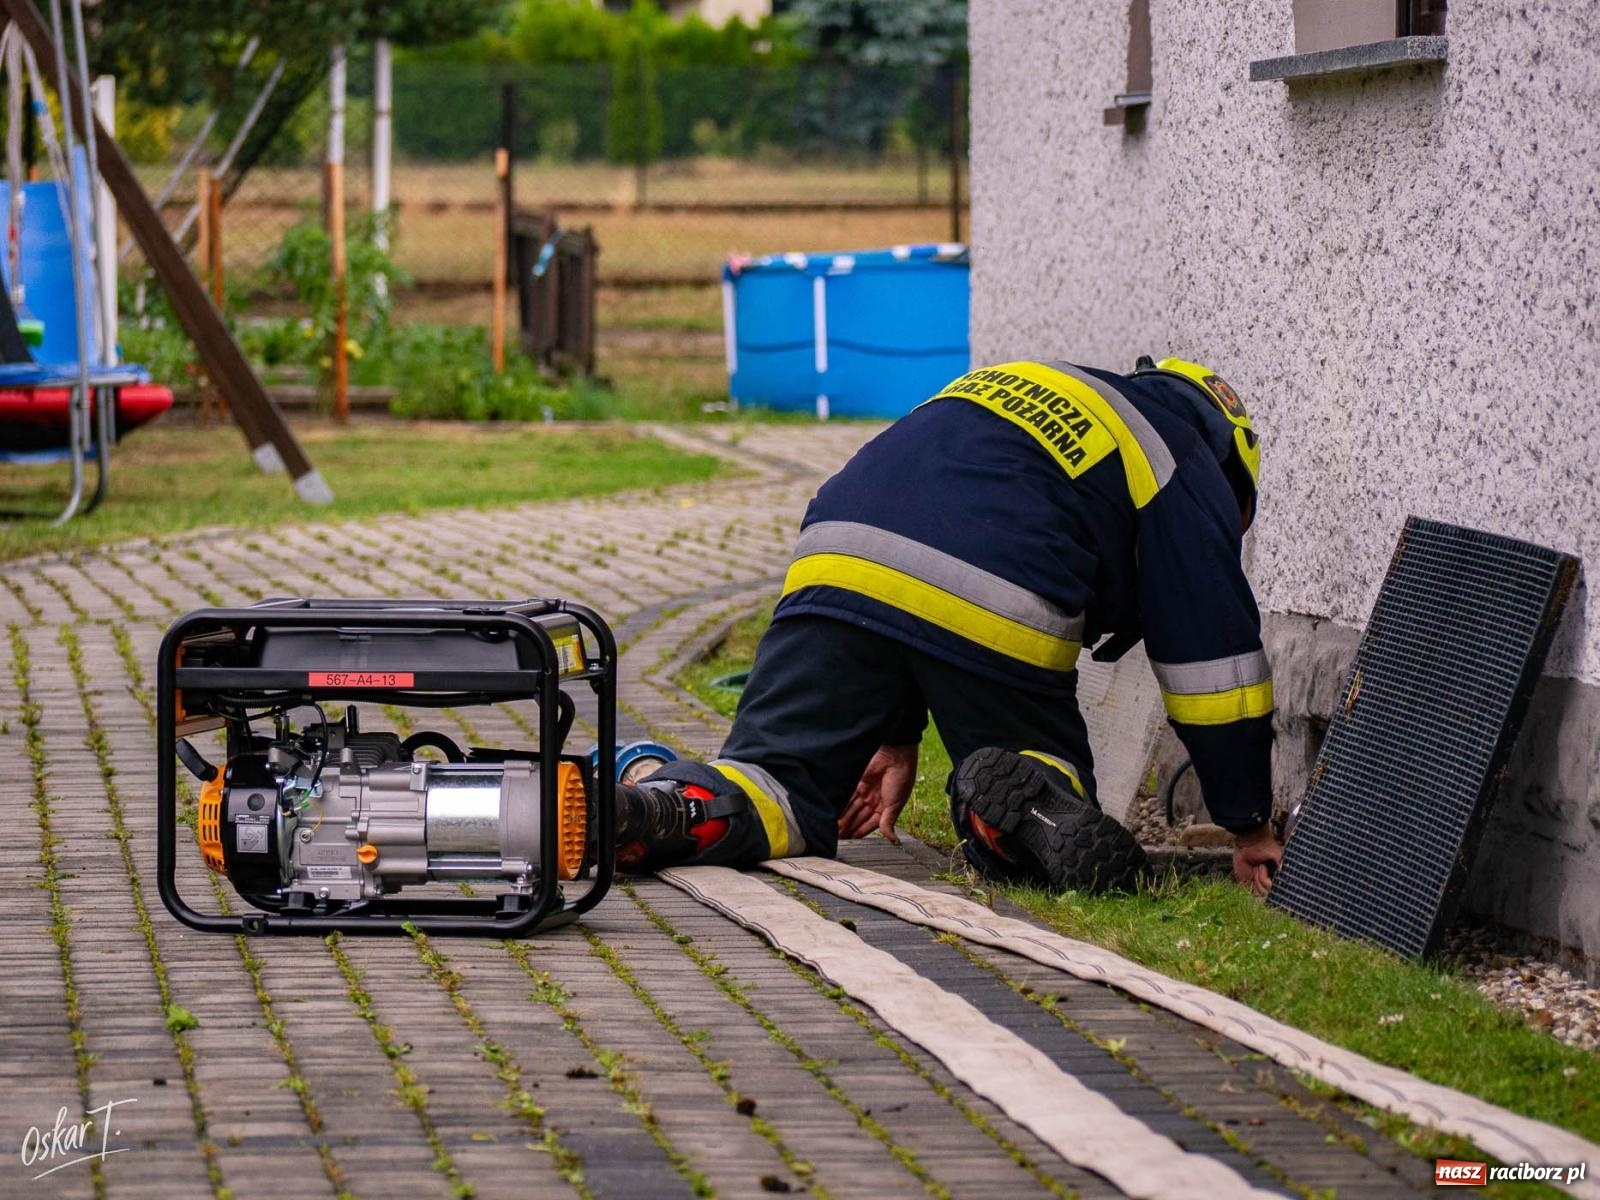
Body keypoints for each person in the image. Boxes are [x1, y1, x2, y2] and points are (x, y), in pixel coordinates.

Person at [615, 356, 1284, 896]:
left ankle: (661, 809)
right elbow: (1214, 667)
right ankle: (1010, 814)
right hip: (999, 581)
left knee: (777, 781)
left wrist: (893, 730)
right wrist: (1249, 824)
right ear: (1233, 469)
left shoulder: (1033, 385)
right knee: (1036, 766)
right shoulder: (1187, 460)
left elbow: (926, 518)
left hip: (836, 553)